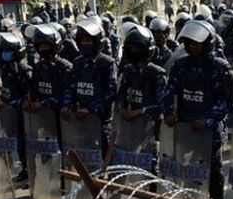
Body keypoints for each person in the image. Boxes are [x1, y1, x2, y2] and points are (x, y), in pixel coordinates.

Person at [162, 20, 232, 199]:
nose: (194, 46)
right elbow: (169, 91)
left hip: (209, 129)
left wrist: (208, 120)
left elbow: (226, 100)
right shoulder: (180, 65)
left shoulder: (219, 68)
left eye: (198, 43)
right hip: (185, 126)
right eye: (190, 42)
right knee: (185, 168)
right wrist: (167, 112)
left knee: (213, 170)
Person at [60, 19, 118, 153]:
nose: (85, 43)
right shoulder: (78, 63)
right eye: (82, 41)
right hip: (79, 120)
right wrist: (66, 105)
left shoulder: (107, 64)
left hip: (101, 122)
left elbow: (111, 92)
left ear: (97, 42)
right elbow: (71, 87)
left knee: (104, 159)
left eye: (89, 40)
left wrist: (91, 110)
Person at [0, 32, 30, 182]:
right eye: (3, 51)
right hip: (10, 115)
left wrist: (8, 104)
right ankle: (23, 170)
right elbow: (6, 90)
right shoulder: (6, 69)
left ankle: (29, 169)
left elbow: (27, 97)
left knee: (25, 143)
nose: (5, 54)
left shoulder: (24, 71)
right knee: (17, 143)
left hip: (23, 115)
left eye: (8, 51)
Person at [116, 25, 166, 126]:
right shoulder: (128, 71)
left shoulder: (157, 74)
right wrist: (121, 109)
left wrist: (140, 111)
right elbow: (120, 96)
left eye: (138, 48)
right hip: (128, 127)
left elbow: (163, 105)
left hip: (150, 129)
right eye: (131, 48)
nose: (134, 51)